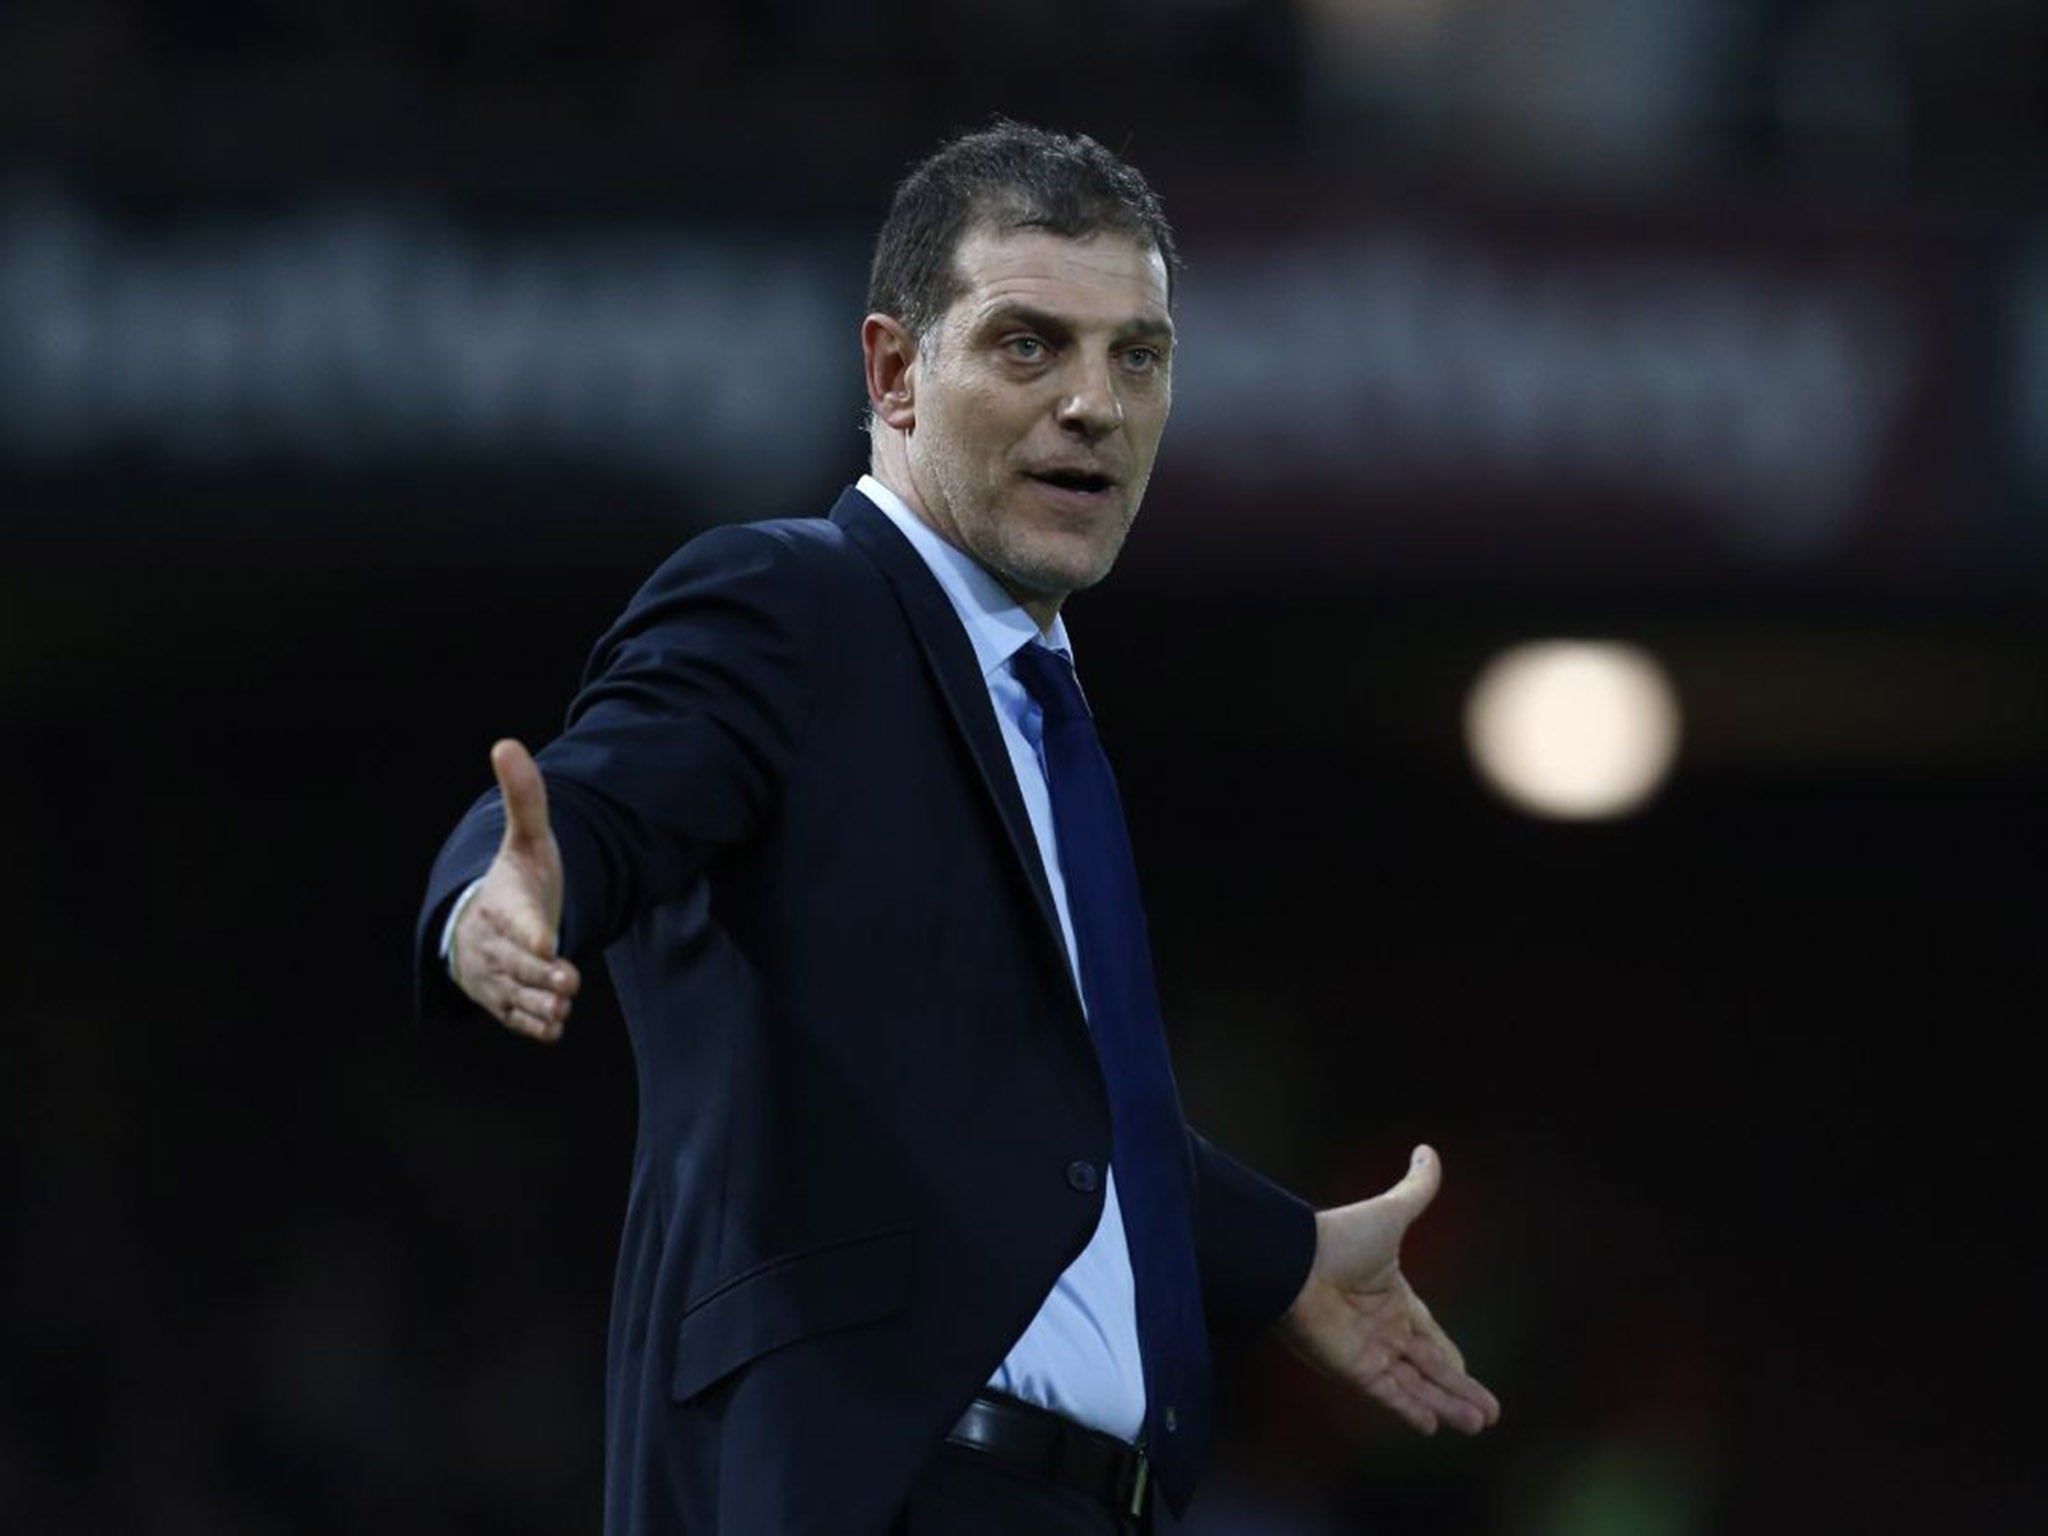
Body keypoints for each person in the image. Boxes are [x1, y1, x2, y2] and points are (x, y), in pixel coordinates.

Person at [415, 121, 1499, 1536]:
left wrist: (1276, 1253)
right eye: (1029, 346)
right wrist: (494, 897)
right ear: (893, 374)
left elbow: (1013, 1110)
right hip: (878, 1490)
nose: (1096, 405)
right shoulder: (794, 604)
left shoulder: (1039, 710)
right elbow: (603, 796)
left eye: (1139, 357)